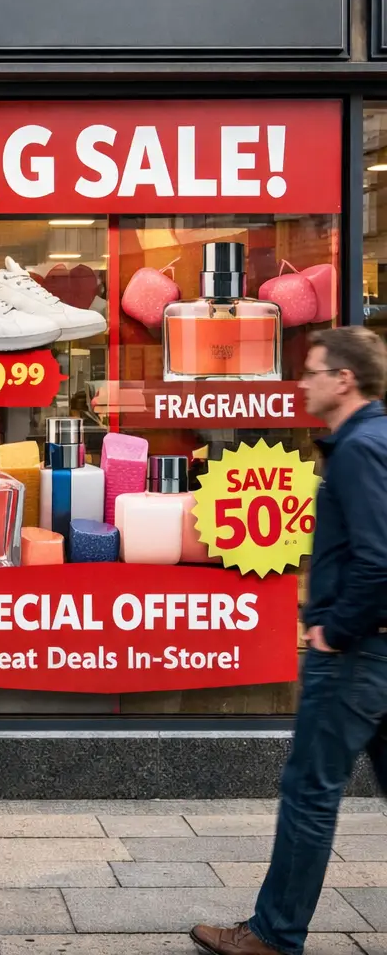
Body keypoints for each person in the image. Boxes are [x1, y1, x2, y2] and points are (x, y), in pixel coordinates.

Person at [191, 325, 387, 955]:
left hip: (355, 654)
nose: (302, 382)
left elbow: (377, 559)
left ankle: (273, 935)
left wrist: (334, 630)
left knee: (309, 793)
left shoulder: (360, 449)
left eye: (313, 370)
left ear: (344, 379)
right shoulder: (372, 439)